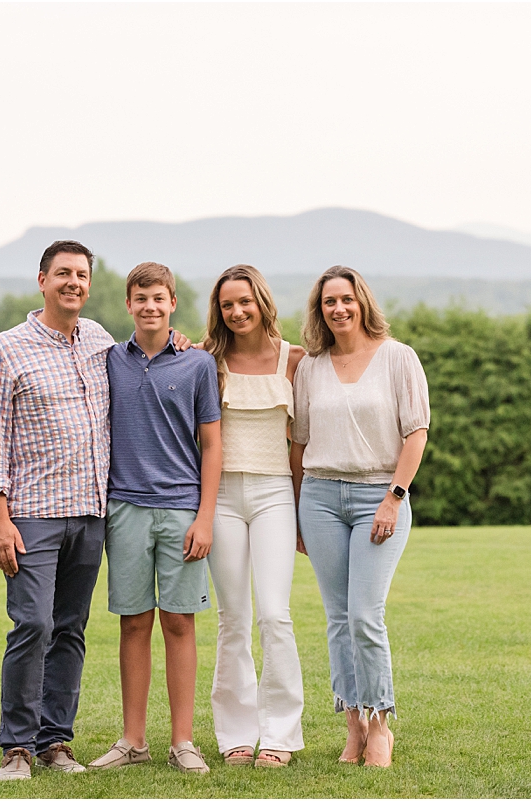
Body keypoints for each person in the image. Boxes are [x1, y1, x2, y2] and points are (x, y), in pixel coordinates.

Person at [0, 242, 192, 781]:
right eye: (63, 274)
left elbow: (152, 351)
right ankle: (17, 748)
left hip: (92, 514)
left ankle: (55, 741)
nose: (73, 282)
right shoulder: (6, 348)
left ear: (90, 286)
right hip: (32, 515)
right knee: (32, 623)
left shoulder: (99, 341)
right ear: (42, 280)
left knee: (70, 628)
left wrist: (180, 341)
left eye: (81, 275)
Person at [290, 265, 430, 769]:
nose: (338, 309)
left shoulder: (397, 358)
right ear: (319, 309)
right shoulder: (310, 366)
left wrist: (394, 496)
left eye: (346, 299)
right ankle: (353, 725)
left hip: (379, 497)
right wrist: (298, 506)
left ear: (361, 301)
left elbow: (416, 433)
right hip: (321, 498)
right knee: (337, 619)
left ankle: (380, 725)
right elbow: (299, 442)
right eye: (329, 302)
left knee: (366, 616)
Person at [88, 262, 223, 775]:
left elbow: (211, 443)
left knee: (179, 622)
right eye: (140, 298)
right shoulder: (108, 361)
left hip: (182, 509)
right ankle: (133, 740)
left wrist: (205, 516)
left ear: (172, 304)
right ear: (128, 304)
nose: (149, 306)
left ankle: (183, 741)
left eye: (159, 298)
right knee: (134, 622)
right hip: (124, 508)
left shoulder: (197, 365)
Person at [202, 265, 306, 768]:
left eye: (245, 301)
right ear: (218, 312)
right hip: (220, 498)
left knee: (274, 614)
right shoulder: (207, 361)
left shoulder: (296, 361)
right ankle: (236, 735)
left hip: (274, 495)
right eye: (227, 305)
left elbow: (301, 447)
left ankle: (281, 735)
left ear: (262, 302)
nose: (237, 311)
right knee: (233, 619)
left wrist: (305, 511)